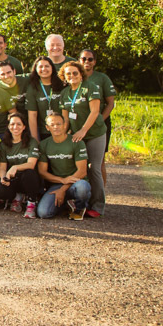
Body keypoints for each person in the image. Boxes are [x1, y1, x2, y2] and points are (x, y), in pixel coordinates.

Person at [59, 61, 108, 218]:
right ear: (64, 77)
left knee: (94, 168)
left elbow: (94, 112)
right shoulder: (65, 93)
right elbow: (66, 119)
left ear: (81, 74)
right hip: (76, 135)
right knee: (78, 169)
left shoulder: (90, 88)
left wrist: (83, 130)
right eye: (68, 74)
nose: (72, 76)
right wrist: (62, 137)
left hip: (94, 134)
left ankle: (98, 206)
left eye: (75, 73)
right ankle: (81, 204)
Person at [37, 112, 92, 220]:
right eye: (52, 125)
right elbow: (42, 172)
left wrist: (63, 189)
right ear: (47, 128)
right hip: (57, 184)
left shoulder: (76, 142)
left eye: (59, 124)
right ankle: (66, 205)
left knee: (82, 187)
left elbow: (82, 171)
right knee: (43, 213)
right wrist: (62, 181)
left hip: (76, 182)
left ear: (64, 125)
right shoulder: (44, 145)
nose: (56, 127)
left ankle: (79, 208)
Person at [80, 49, 117, 187]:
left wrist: (99, 119)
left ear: (94, 62)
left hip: (99, 122)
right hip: (79, 122)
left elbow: (110, 103)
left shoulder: (102, 78)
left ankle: (100, 193)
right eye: (83, 59)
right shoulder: (75, 76)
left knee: (98, 161)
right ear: (79, 60)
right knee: (80, 159)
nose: (86, 62)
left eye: (90, 59)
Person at [0, 113, 43, 215]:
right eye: (12, 124)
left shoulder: (31, 141)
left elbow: (31, 164)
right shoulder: (5, 144)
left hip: (29, 178)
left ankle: (31, 203)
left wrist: (15, 167)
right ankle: (17, 197)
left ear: (24, 127)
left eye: (19, 124)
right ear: (8, 126)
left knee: (29, 174)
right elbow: (2, 167)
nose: (15, 127)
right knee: (0, 189)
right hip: (14, 178)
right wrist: (3, 177)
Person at [24, 57, 65, 141]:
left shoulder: (62, 85)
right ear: (35, 69)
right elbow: (32, 115)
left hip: (64, 131)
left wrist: (65, 132)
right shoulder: (33, 88)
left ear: (52, 68)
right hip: (44, 131)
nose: (44, 69)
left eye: (47, 66)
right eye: (40, 67)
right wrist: (35, 140)